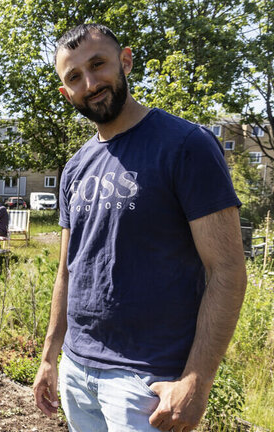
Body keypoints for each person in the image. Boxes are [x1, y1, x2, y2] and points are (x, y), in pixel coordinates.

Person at [32, 24, 247, 432]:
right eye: (74, 77)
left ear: (125, 61)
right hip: (78, 372)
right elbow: (67, 270)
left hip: (148, 381)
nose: (90, 83)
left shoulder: (186, 145)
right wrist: (49, 357)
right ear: (66, 93)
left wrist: (196, 383)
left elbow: (228, 270)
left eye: (98, 65)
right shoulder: (75, 168)